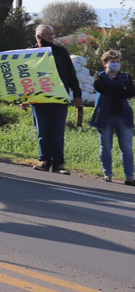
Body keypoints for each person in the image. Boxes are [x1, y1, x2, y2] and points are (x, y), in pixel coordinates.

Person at [30, 23, 84, 175]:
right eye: (48, 35)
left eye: (53, 34)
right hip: (39, 99)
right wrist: (24, 98)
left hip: (59, 97)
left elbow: (71, 74)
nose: (52, 37)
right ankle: (44, 160)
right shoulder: (30, 52)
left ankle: (58, 163)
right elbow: (25, 77)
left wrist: (77, 94)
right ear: (39, 37)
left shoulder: (61, 52)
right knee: (43, 131)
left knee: (58, 131)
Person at [90, 49, 134, 185]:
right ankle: (107, 174)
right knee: (106, 146)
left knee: (126, 147)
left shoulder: (126, 76)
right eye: (112, 62)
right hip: (104, 116)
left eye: (117, 62)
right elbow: (100, 87)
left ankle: (130, 176)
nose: (115, 64)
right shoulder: (99, 75)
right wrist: (120, 89)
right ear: (105, 63)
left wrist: (113, 89)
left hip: (123, 115)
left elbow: (130, 92)